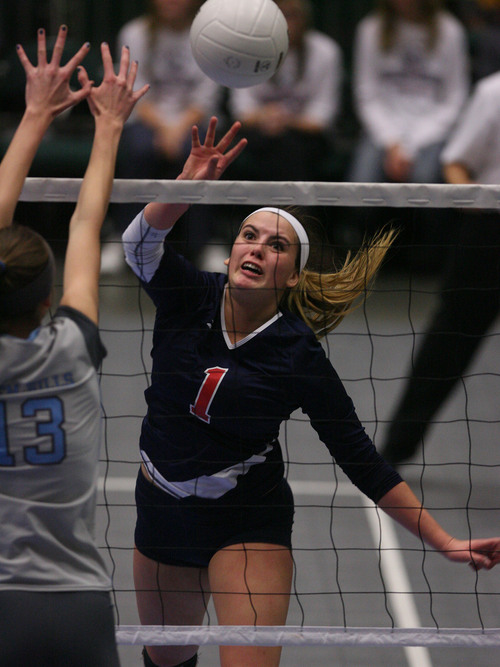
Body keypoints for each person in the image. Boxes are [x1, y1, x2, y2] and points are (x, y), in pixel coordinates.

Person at [121, 116, 500, 667]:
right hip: (162, 506)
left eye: (276, 245)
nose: (256, 248)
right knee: (165, 658)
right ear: (229, 256)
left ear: (293, 275)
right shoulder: (189, 296)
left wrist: (443, 542)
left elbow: (363, 461)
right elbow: (139, 244)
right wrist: (185, 185)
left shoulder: (297, 355)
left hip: (246, 517)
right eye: (247, 235)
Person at [0, 26, 148, 666]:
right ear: (46, 300)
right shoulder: (72, 350)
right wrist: (108, 125)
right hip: (75, 606)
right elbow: (88, 221)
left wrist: (33, 114)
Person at [380, 67, 500, 466]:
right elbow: (455, 163)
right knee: (446, 350)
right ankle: (393, 453)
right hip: (489, 234)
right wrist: (477, 203)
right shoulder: (492, 91)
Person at [103, 0, 221, 272]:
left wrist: (178, 130)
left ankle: (204, 243)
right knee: (140, 150)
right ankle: (123, 238)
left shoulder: (212, 35)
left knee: (202, 158)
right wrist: (164, 128)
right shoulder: (135, 33)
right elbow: (132, 92)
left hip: (194, 122)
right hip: (147, 120)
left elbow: (207, 95)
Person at [348, 0, 469, 184]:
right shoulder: (370, 28)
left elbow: (455, 99)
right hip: (381, 129)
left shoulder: (450, 30)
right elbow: (366, 95)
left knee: (424, 179)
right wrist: (392, 141)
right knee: (361, 183)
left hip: (432, 131)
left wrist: (412, 146)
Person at [228, 0, 343, 182]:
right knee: (266, 144)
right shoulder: (247, 50)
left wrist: (286, 120)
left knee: (290, 146)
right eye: (277, 16)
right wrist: (266, 116)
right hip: (260, 132)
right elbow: (241, 111)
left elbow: (322, 117)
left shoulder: (325, 51)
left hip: (304, 136)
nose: (283, 23)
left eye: (290, 15)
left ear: (305, 17)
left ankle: (289, 209)